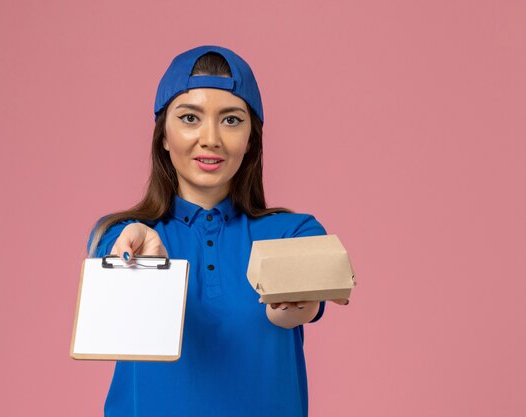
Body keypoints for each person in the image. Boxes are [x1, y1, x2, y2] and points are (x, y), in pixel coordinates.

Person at [87, 45, 349, 417]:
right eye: (190, 118)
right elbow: (113, 255)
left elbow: (300, 303)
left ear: (251, 139)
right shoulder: (121, 235)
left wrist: (291, 304)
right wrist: (142, 261)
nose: (210, 138)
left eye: (230, 120)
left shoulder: (294, 232)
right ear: (163, 135)